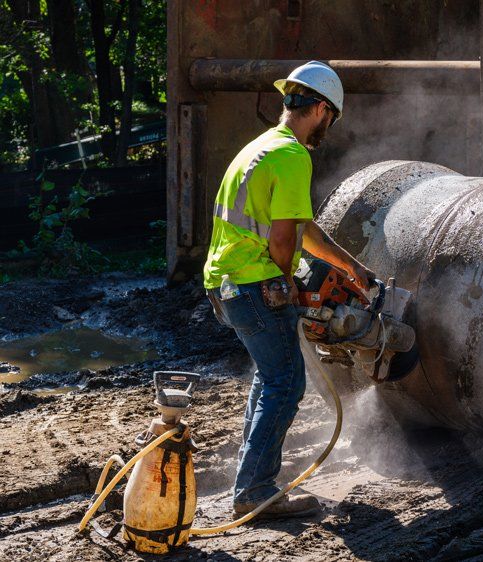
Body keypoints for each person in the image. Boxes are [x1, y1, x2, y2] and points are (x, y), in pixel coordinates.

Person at [203, 61, 375, 518]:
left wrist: (352, 267)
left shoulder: (261, 147)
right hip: (254, 283)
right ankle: (254, 491)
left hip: (225, 283)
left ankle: (248, 481)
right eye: (331, 118)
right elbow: (283, 242)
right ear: (321, 108)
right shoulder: (295, 155)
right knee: (286, 383)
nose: (328, 127)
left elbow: (303, 229)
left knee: (269, 377)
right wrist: (289, 286)